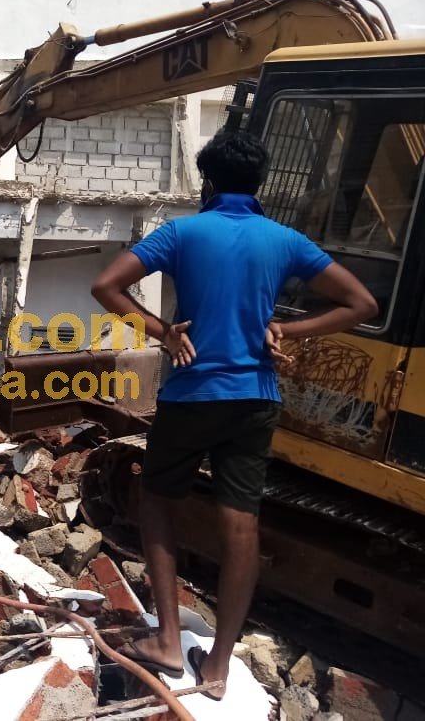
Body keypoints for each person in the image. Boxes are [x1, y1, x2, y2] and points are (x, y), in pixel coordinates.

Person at [90, 129, 376, 700]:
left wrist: (164, 332)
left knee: (156, 500)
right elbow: (361, 304)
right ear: (259, 182)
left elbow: (106, 285)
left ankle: (167, 640)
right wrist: (288, 329)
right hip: (255, 399)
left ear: (210, 181)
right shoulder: (285, 240)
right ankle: (217, 667)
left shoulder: (182, 232)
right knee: (241, 524)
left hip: (192, 394)